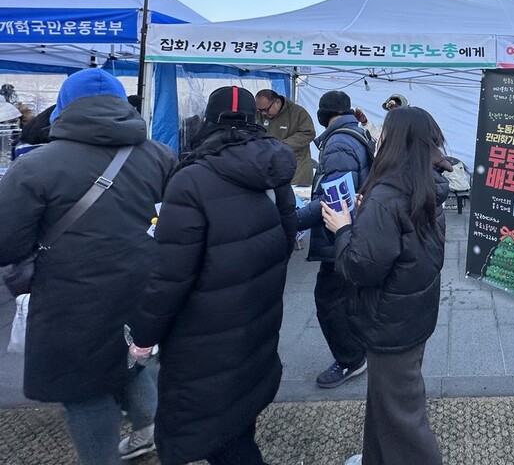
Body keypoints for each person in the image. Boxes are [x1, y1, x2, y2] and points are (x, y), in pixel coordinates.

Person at [0, 69, 176, 465]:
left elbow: (6, 244)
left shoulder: (34, 166)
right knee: (132, 364)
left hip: (72, 300)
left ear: (63, 108)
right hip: (146, 287)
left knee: (84, 393)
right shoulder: (160, 155)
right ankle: (152, 432)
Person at [128, 86, 298, 465]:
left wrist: (144, 335)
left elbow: (170, 275)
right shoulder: (276, 172)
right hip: (257, 317)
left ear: (207, 120)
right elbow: (285, 242)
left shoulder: (190, 180)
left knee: (217, 437)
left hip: (203, 334)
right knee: (238, 416)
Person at [321, 105, 445, 465]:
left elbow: (359, 267)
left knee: (403, 415)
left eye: (384, 132)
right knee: (385, 401)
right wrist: (367, 216)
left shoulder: (388, 195)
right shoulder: (425, 183)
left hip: (390, 319)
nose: (378, 137)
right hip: (411, 313)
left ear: (396, 140)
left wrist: (343, 228)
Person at [297, 90, 374, 388]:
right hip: (354, 229)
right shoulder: (354, 133)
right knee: (348, 297)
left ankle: (350, 360)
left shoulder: (338, 142)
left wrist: (295, 219)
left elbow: (333, 198)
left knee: (329, 300)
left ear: (323, 114)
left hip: (339, 234)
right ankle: (360, 346)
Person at [255, 88, 317, 187]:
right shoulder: (258, 115)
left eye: (266, 110)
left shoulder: (298, 112)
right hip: (268, 168)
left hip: (296, 168)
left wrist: (281, 145)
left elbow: (308, 133)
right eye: (260, 110)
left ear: (277, 102)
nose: (263, 113)